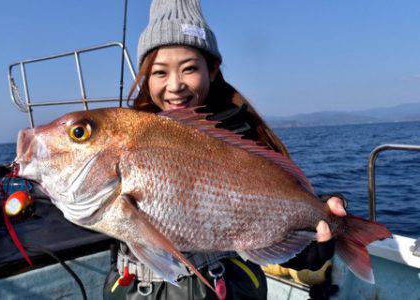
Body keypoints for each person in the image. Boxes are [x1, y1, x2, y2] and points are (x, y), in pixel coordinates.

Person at [104, 0, 347, 299]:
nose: (175, 85)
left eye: (189, 68)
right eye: (159, 73)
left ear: (213, 69)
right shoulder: (129, 135)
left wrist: (311, 245)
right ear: (144, 76)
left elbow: (280, 207)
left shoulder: (243, 134)